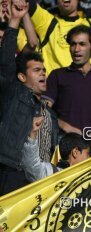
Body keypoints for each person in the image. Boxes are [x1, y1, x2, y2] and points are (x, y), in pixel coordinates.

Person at [0, 0, 49, 195]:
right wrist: (14, 20)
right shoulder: (13, 89)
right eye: (37, 70)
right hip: (4, 168)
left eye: (44, 70)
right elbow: (5, 63)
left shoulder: (43, 108)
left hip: (24, 175)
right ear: (21, 77)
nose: (44, 74)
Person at [21, 117, 91, 182]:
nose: (90, 158)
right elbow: (32, 167)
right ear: (75, 152)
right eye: (88, 154)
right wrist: (32, 134)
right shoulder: (53, 174)